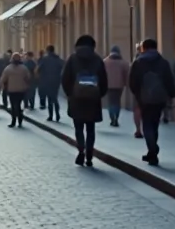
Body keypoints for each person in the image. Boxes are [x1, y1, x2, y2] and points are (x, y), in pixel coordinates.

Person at [62, 35, 108, 167]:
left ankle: (81, 150)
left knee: (78, 127)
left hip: (76, 99)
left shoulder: (72, 59)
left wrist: (70, 94)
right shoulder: (98, 60)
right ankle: (89, 154)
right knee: (90, 129)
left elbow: (65, 78)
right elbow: (104, 81)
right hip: (93, 100)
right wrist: (99, 94)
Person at [129, 39, 175, 166]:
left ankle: (152, 149)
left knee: (147, 124)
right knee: (154, 124)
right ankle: (152, 152)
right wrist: (171, 94)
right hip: (159, 99)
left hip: (144, 98)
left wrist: (137, 95)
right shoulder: (163, 63)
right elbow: (169, 80)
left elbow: (132, 82)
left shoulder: (138, 63)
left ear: (144, 48)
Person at [0, 53, 33, 128]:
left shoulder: (8, 68)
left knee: (13, 106)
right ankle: (20, 119)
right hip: (21, 90)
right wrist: (27, 86)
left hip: (12, 90)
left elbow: (3, 79)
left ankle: (13, 121)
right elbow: (28, 78)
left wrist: (0, 87)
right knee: (19, 105)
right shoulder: (24, 68)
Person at [36, 45, 64, 122]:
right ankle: (57, 114)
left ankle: (51, 116)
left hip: (46, 81)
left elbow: (38, 69)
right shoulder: (58, 59)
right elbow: (63, 68)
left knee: (49, 99)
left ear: (47, 51)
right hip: (56, 81)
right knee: (55, 98)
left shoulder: (44, 59)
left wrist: (40, 77)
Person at [103, 45, 127, 127]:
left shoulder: (105, 61)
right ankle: (116, 117)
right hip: (119, 85)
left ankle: (112, 117)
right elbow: (127, 74)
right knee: (117, 101)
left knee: (110, 102)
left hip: (108, 85)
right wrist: (126, 83)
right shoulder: (123, 62)